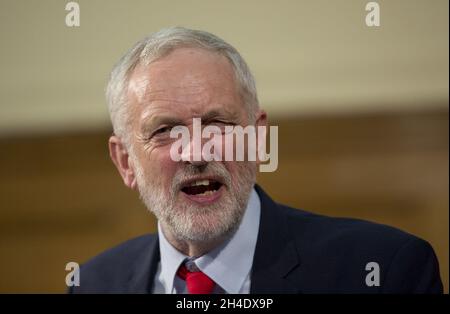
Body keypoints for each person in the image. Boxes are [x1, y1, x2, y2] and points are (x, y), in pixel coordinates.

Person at [70, 27, 442, 294]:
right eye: (165, 129)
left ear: (258, 137)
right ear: (125, 162)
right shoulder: (93, 284)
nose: (197, 151)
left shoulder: (382, 269)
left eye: (217, 123)